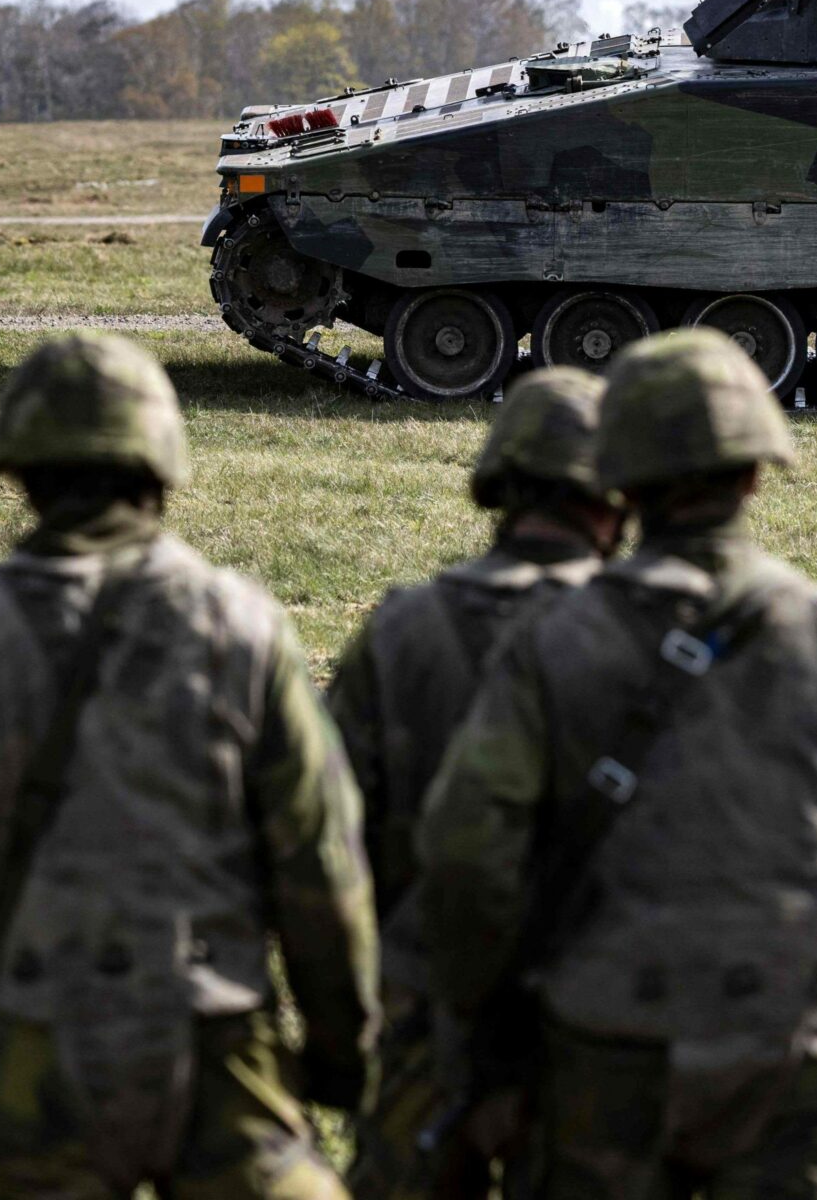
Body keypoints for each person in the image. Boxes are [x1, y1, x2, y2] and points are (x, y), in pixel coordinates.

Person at [418, 327, 817, 1200]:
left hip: (603, 1042)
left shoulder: (549, 640)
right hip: (794, 1047)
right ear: (756, 473)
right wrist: (811, 951)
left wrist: (507, 999)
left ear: (620, 481)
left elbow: (466, 857)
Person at [0, 331, 379, 1198]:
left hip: (35, 1046)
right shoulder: (244, 629)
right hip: (218, 1044)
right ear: (161, 465)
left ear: (20, 472)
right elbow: (320, 859)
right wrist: (342, 1048)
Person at [327, 367, 622, 1199]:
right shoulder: (648, 640)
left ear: (500, 487)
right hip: (598, 1013)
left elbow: (329, 830)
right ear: (617, 498)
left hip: (423, 995)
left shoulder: (402, 631)